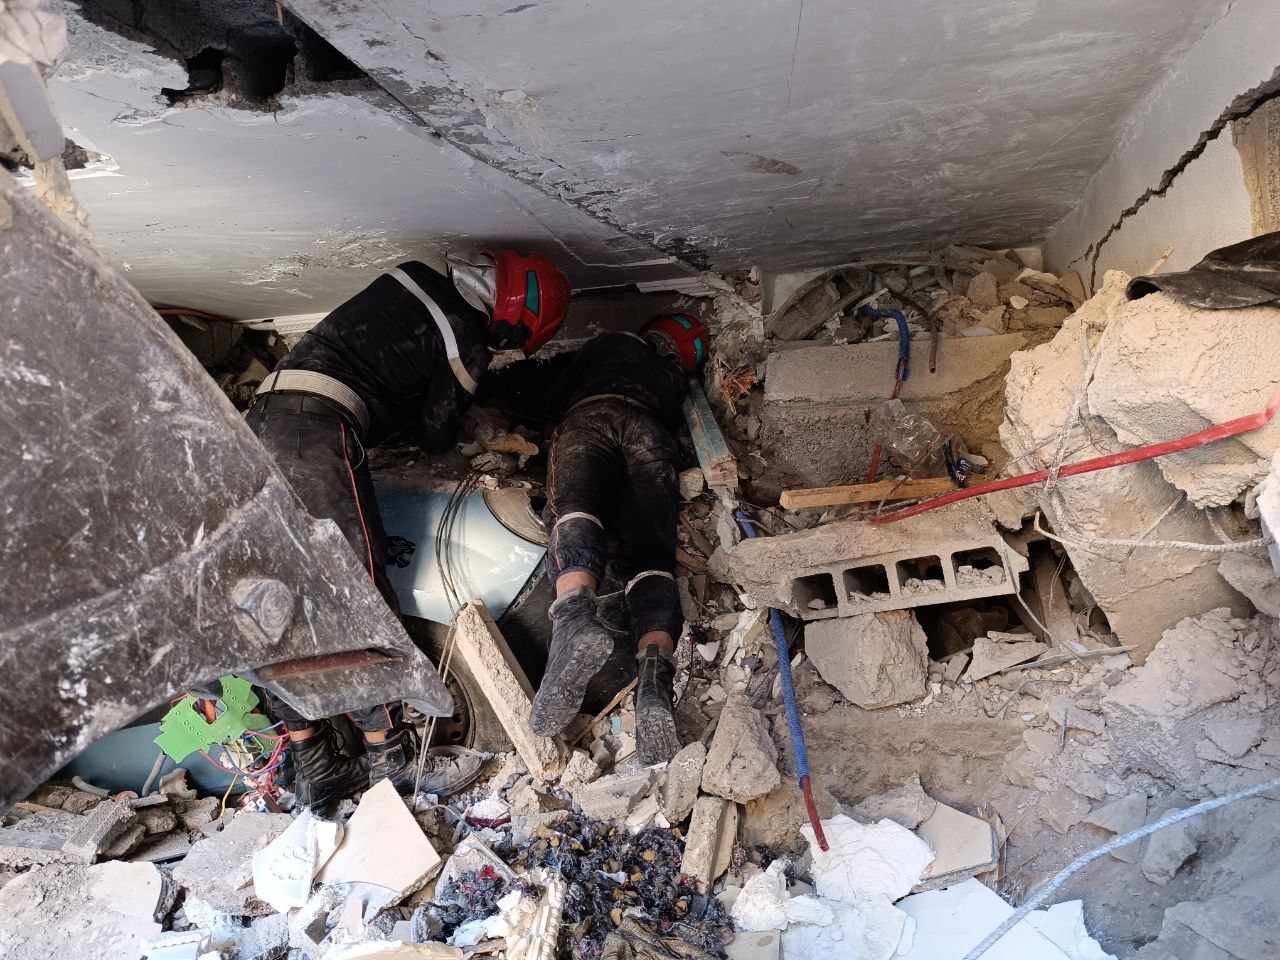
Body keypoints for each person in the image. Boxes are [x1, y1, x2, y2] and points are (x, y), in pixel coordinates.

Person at [247, 251, 570, 809]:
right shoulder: (468, 338)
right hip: (314, 433)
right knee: (359, 595)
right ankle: (388, 758)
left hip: (258, 425)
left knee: (278, 600)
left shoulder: (414, 275)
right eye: (513, 337)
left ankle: (315, 762)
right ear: (512, 316)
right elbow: (435, 432)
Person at [530, 313, 710, 765]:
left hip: (589, 419)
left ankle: (574, 616)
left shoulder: (610, 339)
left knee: (576, 511)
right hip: (650, 433)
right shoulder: (674, 379)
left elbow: (551, 398)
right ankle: (653, 678)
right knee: (651, 557)